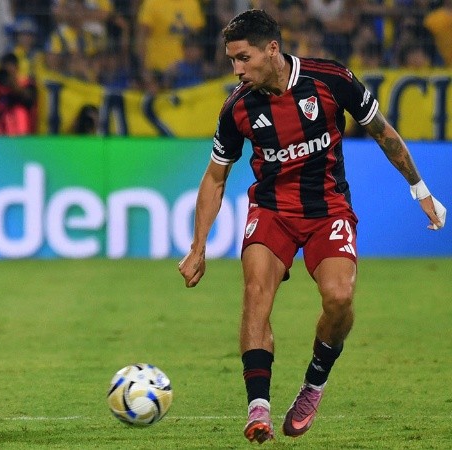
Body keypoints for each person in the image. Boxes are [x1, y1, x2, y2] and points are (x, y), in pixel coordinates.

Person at [177, 9, 446, 444]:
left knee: (339, 298)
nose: (236, 70)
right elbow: (215, 177)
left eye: (243, 58)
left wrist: (420, 189)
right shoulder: (237, 108)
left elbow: (382, 132)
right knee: (256, 293)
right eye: (231, 60)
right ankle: (258, 407)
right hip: (272, 211)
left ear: (272, 49)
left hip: (328, 210)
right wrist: (198, 246)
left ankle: (313, 385)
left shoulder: (330, 79)